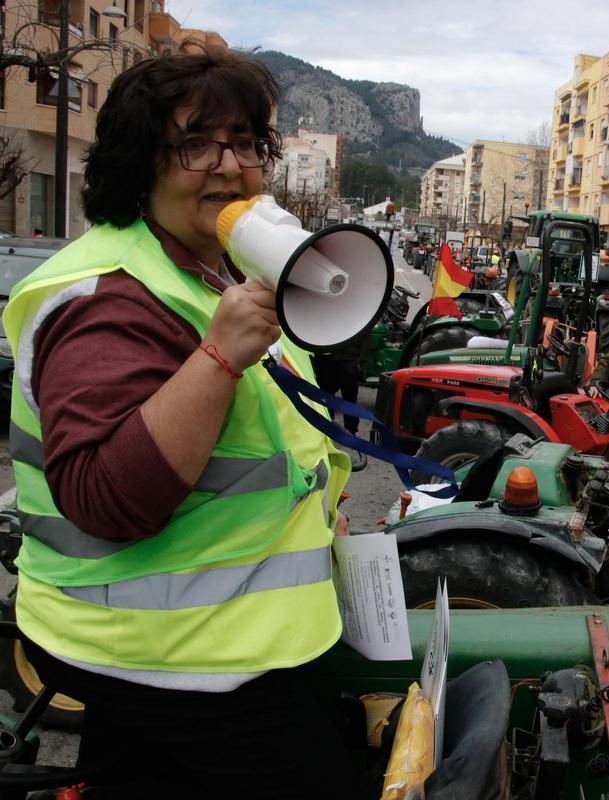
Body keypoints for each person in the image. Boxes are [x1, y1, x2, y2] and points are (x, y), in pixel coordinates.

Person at [2, 46, 357, 797]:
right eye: (196, 143)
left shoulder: (218, 273)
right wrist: (218, 356)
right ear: (141, 164)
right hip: (169, 653)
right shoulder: (107, 299)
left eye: (248, 142)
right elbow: (104, 498)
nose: (230, 166)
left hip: (212, 640)